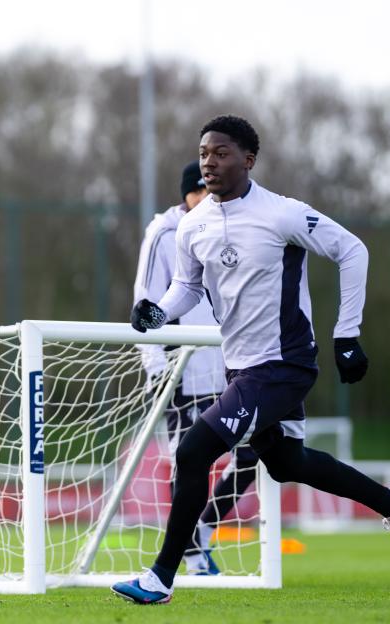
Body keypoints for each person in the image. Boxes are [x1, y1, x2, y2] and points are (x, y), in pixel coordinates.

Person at [114, 115, 390, 605]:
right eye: (204, 154)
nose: (209, 163)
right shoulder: (192, 225)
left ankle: (161, 577)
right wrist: (159, 313)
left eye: (221, 153)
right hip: (239, 365)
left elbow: (352, 250)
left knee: (192, 452)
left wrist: (347, 333)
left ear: (249, 159)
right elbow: (187, 287)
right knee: (285, 462)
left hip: (284, 364)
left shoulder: (283, 214)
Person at [133, 160, 258, 576]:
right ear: (186, 193)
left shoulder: (230, 226)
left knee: (255, 453)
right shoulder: (164, 233)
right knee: (188, 460)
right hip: (182, 371)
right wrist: (155, 368)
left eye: (210, 189)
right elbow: (147, 301)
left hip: (230, 367)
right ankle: (187, 553)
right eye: (198, 190)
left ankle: (201, 530)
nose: (205, 196)